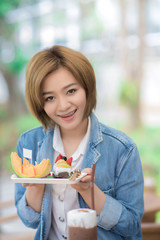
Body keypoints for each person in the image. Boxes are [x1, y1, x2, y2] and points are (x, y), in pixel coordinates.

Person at [14, 45, 144, 240]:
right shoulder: (29, 144)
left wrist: (90, 192)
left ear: (86, 87)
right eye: (50, 97)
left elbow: (131, 224)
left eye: (71, 91)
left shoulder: (122, 149)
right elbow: (29, 220)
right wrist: (36, 186)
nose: (64, 106)